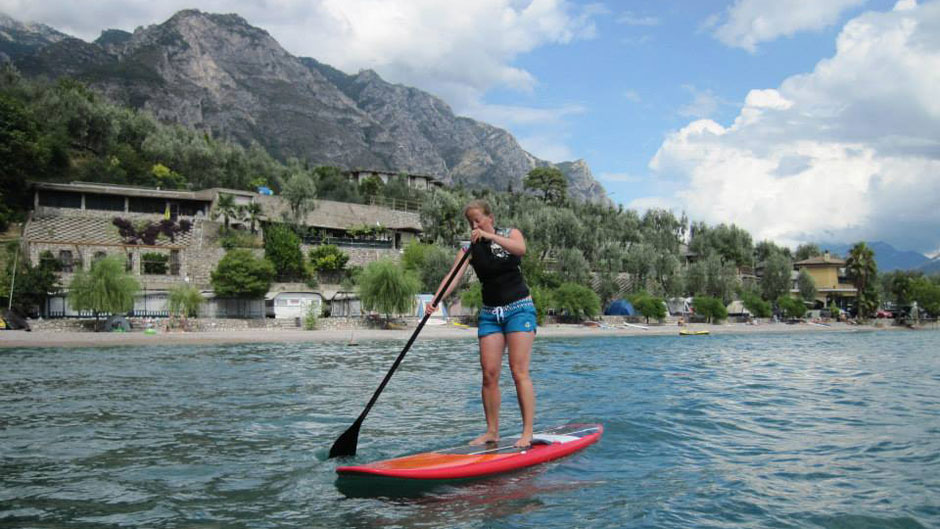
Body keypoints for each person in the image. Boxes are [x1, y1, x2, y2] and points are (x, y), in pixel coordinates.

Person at [426, 199, 537, 448]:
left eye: (477, 221)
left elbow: (521, 249)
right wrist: (435, 300)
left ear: (490, 218)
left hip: (519, 309)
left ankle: (527, 432)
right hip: (490, 315)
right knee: (489, 374)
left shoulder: (510, 234)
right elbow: (453, 277)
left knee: (518, 371)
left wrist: (490, 236)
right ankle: (492, 432)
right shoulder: (469, 248)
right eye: (470, 223)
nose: (474, 226)